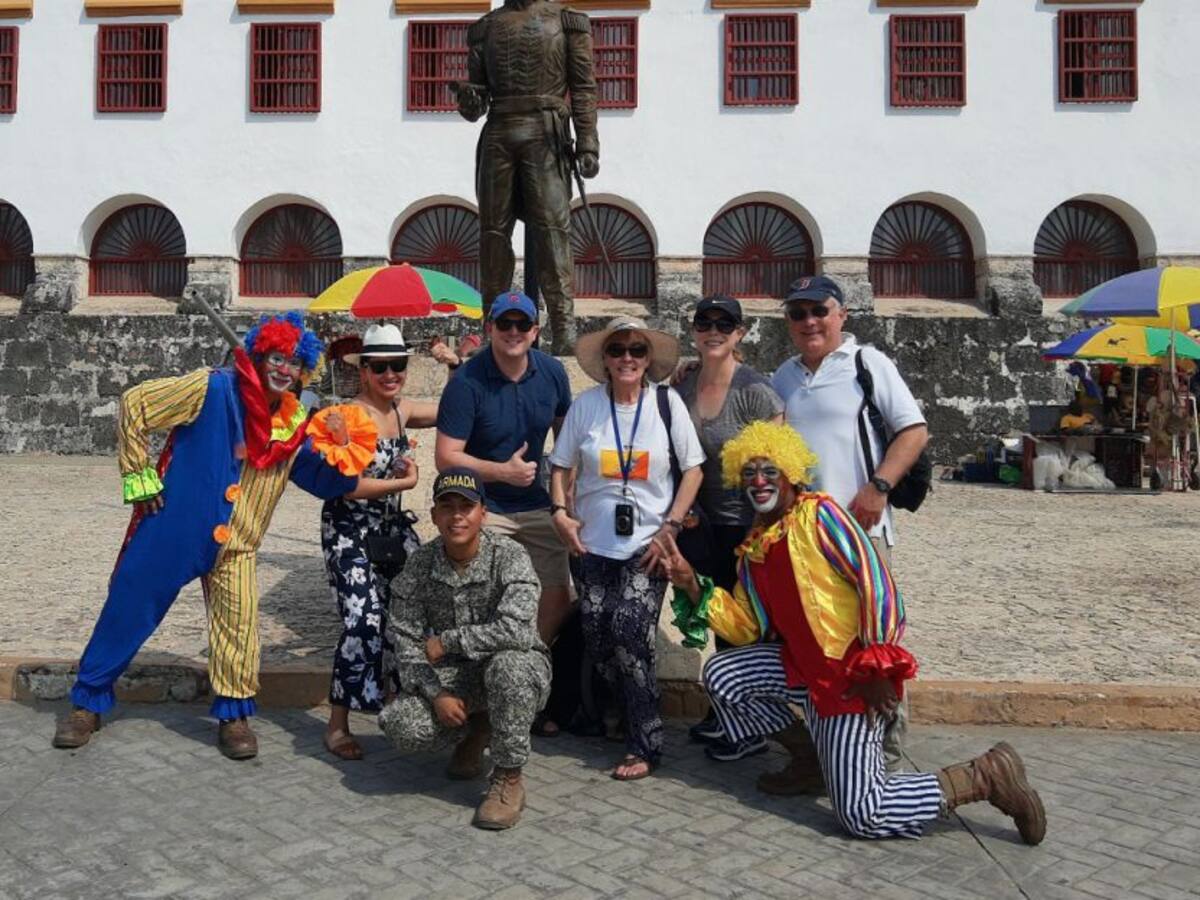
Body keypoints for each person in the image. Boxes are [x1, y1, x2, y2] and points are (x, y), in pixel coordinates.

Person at [665, 421, 1046, 845]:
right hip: (802, 674)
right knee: (723, 674)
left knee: (862, 814)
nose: (758, 481)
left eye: (769, 471)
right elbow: (747, 625)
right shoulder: (756, 548)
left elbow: (875, 583)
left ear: (791, 473)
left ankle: (984, 776)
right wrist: (692, 584)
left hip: (851, 679)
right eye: (749, 473)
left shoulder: (821, 515)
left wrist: (877, 669)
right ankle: (810, 759)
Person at [52, 312, 380, 760]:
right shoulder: (213, 388)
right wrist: (139, 476)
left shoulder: (297, 427)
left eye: (294, 364)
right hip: (171, 530)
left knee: (240, 627)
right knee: (128, 609)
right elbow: (136, 404)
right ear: (260, 356)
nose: (284, 370)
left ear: (306, 372)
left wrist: (350, 454)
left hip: (238, 544)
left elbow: (323, 481)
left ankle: (233, 715)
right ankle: (87, 701)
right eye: (277, 359)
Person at [771, 275, 927, 776]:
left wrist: (878, 487)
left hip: (859, 528)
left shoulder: (866, 364)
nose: (809, 322)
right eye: (798, 314)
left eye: (819, 310)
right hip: (805, 537)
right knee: (814, 645)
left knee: (873, 641)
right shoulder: (784, 377)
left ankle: (887, 755)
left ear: (841, 315)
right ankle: (830, 749)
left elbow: (913, 430)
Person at [548, 316, 704, 780]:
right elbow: (559, 464)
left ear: (648, 358)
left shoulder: (666, 404)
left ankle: (645, 740)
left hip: (649, 545)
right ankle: (622, 708)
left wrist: (672, 525)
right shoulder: (587, 407)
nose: (628, 359)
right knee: (598, 636)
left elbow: (693, 469)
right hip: (592, 544)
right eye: (618, 351)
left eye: (637, 350)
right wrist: (560, 513)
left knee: (631, 630)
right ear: (606, 360)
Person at [378, 468, 550, 831]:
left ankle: (508, 778)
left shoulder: (509, 556)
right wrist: (436, 693)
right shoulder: (420, 565)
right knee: (401, 724)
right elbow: (406, 642)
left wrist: (450, 641)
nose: (457, 516)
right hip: (458, 676)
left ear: (482, 514)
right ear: (435, 515)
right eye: (448, 506)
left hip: (518, 666)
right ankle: (477, 729)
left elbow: (516, 631)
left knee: (508, 669)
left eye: (467, 507)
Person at [435, 290, 574, 735]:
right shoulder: (467, 381)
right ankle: (488, 694)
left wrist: (564, 500)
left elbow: (567, 439)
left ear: (535, 331)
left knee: (554, 594)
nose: (513, 333)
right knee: (480, 600)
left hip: (535, 504)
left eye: (522, 325)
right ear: (490, 328)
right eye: (505, 324)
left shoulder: (552, 372)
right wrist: (501, 471)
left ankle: (523, 678)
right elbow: (445, 456)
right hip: (487, 504)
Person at [672, 295, 784, 760]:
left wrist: (766, 529)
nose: (713, 330)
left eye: (725, 323)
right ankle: (729, 713)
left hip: (748, 525)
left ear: (741, 332)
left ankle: (752, 723)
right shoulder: (683, 384)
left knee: (750, 623)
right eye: (704, 322)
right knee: (718, 614)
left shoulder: (756, 391)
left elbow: (777, 464)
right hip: (704, 522)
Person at [319, 323, 437, 760]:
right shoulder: (350, 418)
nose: (391, 374)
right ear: (364, 371)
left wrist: (460, 363)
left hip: (390, 529)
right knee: (362, 621)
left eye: (399, 365)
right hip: (350, 529)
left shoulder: (400, 411)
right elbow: (349, 485)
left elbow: (451, 408)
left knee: (413, 611)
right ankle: (338, 722)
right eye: (382, 367)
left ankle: (396, 701)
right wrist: (406, 480)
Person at [455, 0, 600, 354]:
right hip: (499, 132)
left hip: (546, 130)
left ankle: (564, 329)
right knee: (492, 233)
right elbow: (476, 106)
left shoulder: (568, 22)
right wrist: (467, 99)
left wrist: (588, 143)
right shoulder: (485, 27)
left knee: (553, 230)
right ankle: (493, 323)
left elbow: (583, 87)